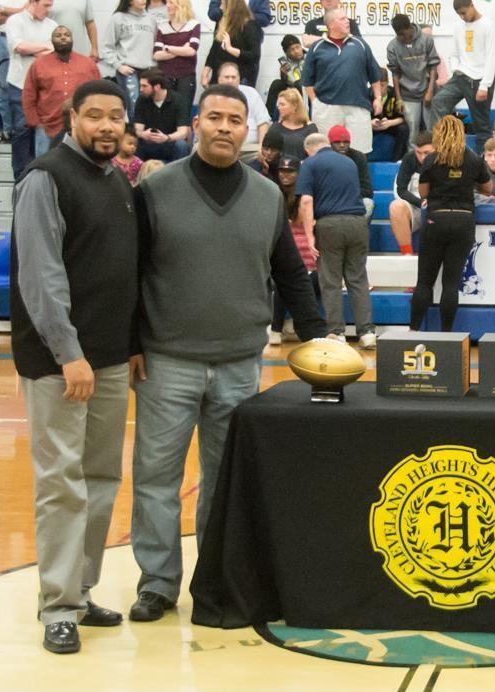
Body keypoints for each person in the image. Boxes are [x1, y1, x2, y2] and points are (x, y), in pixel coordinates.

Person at [128, 84, 327, 623]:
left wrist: (317, 336)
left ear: (247, 131)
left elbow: (289, 271)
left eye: (234, 120)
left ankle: (213, 579)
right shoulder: (156, 190)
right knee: (156, 479)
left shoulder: (267, 196)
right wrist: (129, 345)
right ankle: (158, 583)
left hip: (241, 364)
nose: (223, 127)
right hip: (167, 360)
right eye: (213, 117)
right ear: (196, 124)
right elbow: (130, 274)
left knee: (223, 485)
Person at [10, 78, 138, 655]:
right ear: (71, 116)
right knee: (62, 482)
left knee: (101, 479)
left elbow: (119, 271)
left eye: (116, 116)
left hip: (109, 358)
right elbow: (40, 277)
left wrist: (128, 342)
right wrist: (68, 353)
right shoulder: (45, 177)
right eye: (95, 116)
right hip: (62, 363)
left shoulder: (115, 180)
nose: (107, 126)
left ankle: (80, 592)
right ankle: (57, 605)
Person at [410, 115, 491, 331]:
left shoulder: (431, 159)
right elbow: (488, 188)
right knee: (451, 283)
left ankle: (414, 330)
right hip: (463, 220)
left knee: (425, 282)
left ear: (439, 134)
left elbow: (423, 192)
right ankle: (447, 334)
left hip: (436, 218)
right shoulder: (473, 158)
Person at [296, 133, 377, 347]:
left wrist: (309, 236)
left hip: (329, 224)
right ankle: (367, 332)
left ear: (309, 149)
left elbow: (305, 201)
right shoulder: (349, 162)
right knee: (358, 279)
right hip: (358, 223)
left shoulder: (310, 163)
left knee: (330, 280)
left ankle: (336, 332)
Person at [304, 7, 382, 154]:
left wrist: (378, 98)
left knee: (360, 152)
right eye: (342, 19)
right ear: (331, 24)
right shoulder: (316, 48)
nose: (348, 21)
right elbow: (308, 80)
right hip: (327, 108)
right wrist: (315, 102)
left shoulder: (361, 44)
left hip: (358, 106)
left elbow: (374, 75)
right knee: (326, 151)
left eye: (347, 18)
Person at [22, 25, 101, 157]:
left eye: (66, 35)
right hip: (46, 128)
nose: (63, 37)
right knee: (45, 167)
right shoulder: (39, 65)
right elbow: (28, 96)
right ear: (51, 41)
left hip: (81, 127)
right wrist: (36, 122)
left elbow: (99, 94)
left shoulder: (88, 65)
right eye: (58, 35)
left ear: (72, 39)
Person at [431, 0, 495, 152]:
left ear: (471, 6)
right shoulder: (458, 26)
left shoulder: (488, 24)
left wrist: (484, 85)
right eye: (459, 14)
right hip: (460, 76)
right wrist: (456, 69)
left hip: (480, 80)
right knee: (438, 102)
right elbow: (454, 54)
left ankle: (484, 161)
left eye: (464, 13)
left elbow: (491, 57)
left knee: (481, 125)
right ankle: (443, 147)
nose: (462, 17)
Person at [4, 0, 57, 180]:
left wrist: (32, 48)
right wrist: (44, 47)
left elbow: (55, 53)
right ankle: (20, 178)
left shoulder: (53, 25)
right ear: (33, 2)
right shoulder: (15, 21)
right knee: (22, 131)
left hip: (43, 88)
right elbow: (19, 46)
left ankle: (39, 178)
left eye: (51, 5)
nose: (50, 9)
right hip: (20, 84)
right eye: (46, 5)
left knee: (43, 134)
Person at [270, 155, 320, 345]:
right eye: (282, 170)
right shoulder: (274, 194)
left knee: (297, 283)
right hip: (286, 257)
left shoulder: (305, 196)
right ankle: (276, 329)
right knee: (281, 284)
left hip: (310, 260)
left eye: (290, 171)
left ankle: (294, 327)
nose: (285, 175)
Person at [386, 13, 440, 146]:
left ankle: (435, 160)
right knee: (412, 133)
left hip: (428, 90)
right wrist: (398, 98)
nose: (404, 38)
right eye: (400, 35)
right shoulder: (392, 46)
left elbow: (433, 67)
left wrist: (430, 91)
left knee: (433, 130)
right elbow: (395, 73)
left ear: (410, 27)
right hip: (408, 94)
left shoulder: (426, 40)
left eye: (406, 34)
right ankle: (414, 162)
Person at [101, 0, 157, 121]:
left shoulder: (151, 20)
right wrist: (118, 65)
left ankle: (146, 138)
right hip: (129, 71)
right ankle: (134, 138)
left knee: (149, 109)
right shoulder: (118, 18)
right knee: (135, 109)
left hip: (148, 71)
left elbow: (156, 46)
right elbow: (106, 46)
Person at [388, 131, 435, 255]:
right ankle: (407, 254)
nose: (422, 157)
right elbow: (401, 189)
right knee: (396, 207)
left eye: (427, 153)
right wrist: (422, 203)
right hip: (416, 206)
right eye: (418, 153)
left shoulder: (444, 160)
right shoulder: (409, 159)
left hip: (438, 207)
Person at [152, 0, 200, 117]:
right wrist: (179, 50)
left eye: (172, 2)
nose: (168, 5)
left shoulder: (194, 24)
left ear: (181, 5)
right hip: (165, 77)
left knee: (183, 113)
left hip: (186, 76)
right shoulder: (162, 27)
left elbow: (191, 51)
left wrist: (167, 48)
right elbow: (157, 55)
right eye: (168, 2)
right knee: (166, 114)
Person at [0, 0, 29, 139]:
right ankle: (4, 129)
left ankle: (21, 128)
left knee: (23, 84)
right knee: (2, 85)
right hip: (1, 39)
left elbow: (31, 14)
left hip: (22, 40)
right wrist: (20, 12)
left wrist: (4, 10)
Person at [132, 68, 190, 162]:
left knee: (182, 145)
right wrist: (143, 134)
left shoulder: (178, 100)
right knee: (134, 142)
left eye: (144, 86)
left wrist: (167, 138)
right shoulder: (142, 100)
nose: (140, 89)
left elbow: (183, 132)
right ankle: (138, 174)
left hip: (169, 142)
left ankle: (179, 175)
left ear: (157, 87)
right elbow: (137, 129)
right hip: (148, 143)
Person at [201, 0, 261, 88]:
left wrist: (230, 49)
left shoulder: (250, 25)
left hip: (239, 77)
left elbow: (254, 56)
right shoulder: (222, 22)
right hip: (219, 75)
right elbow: (214, 50)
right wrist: (205, 74)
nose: (220, 6)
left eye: (223, 4)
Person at [215, 61, 269, 145]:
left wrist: (262, 147)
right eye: (227, 77)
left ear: (239, 79)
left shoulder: (252, 93)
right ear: (219, 79)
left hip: (251, 149)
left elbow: (263, 122)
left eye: (233, 77)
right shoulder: (211, 97)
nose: (230, 81)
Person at [328, 124, 375, 221]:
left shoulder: (359, 157)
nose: (342, 145)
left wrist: (345, 195)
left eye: (346, 142)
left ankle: (360, 234)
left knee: (368, 203)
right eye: (337, 142)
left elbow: (367, 190)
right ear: (330, 143)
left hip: (353, 199)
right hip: (329, 201)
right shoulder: (324, 158)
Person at [372, 67, 411, 162]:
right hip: (373, 128)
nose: (381, 89)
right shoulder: (367, 94)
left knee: (404, 128)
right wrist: (370, 123)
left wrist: (390, 123)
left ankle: (396, 159)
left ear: (387, 83)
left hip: (391, 127)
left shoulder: (395, 94)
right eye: (377, 86)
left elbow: (405, 118)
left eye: (383, 85)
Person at [270, 87, 318, 158]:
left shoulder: (310, 129)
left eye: (282, 104)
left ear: (294, 106)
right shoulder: (275, 127)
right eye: (278, 104)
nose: (279, 107)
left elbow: (315, 155)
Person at [265, 34, 305, 118]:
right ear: (287, 53)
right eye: (292, 49)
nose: (296, 51)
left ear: (301, 46)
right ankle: (268, 117)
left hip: (308, 87)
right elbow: (287, 82)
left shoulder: (310, 58)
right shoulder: (285, 63)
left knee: (298, 84)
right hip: (292, 86)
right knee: (276, 83)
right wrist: (283, 75)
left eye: (297, 47)